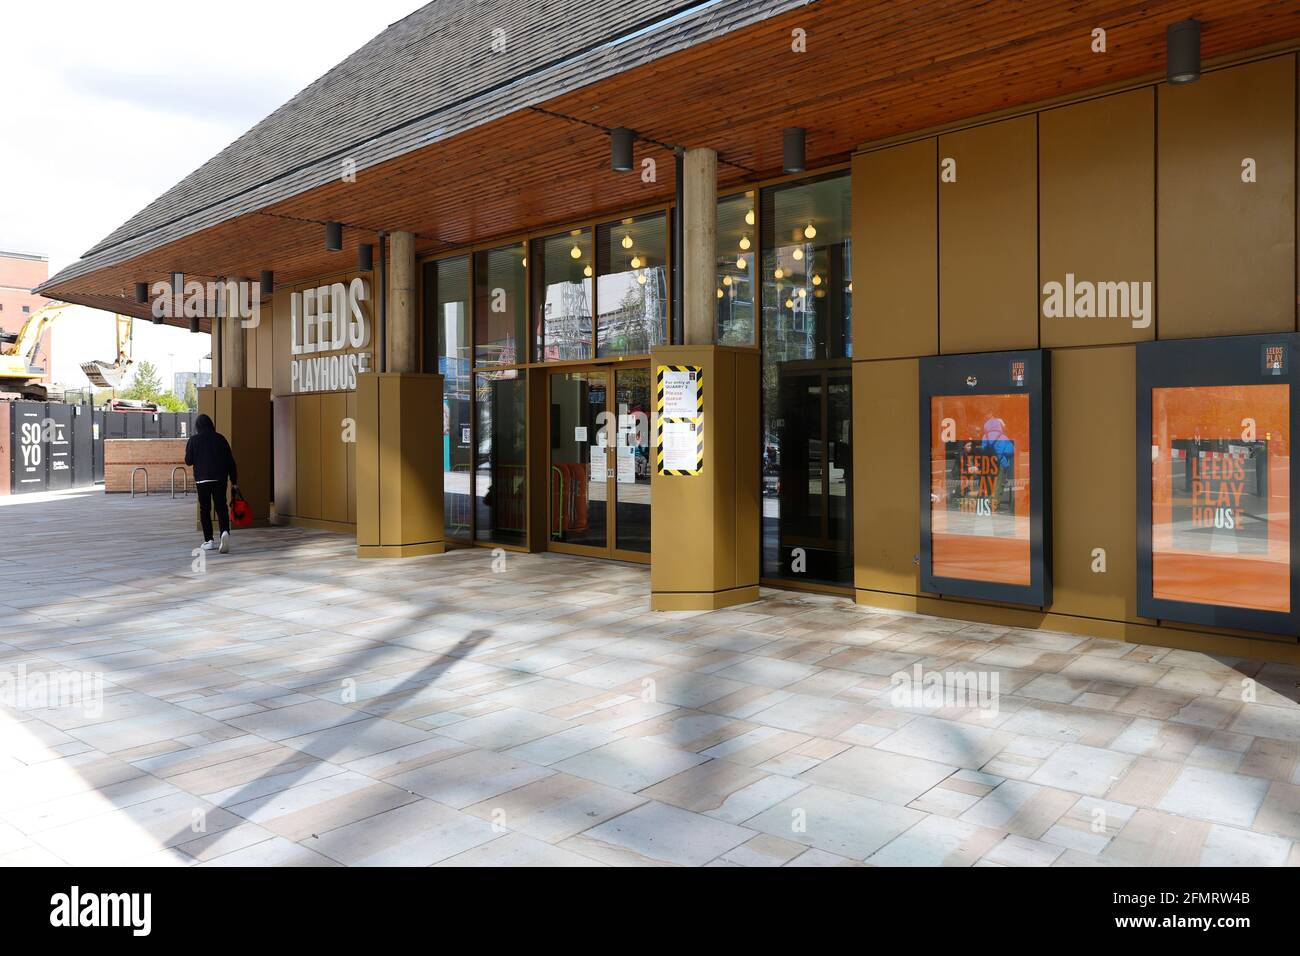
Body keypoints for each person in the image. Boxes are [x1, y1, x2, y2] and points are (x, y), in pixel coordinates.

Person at [184, 414, 239, 553]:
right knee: (221, 507)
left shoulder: (194, 440)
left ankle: (208, 540)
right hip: (220, 479)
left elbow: (188, 461)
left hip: (202, 480)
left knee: (205, 509)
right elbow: (230, 462)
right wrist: (234, 481)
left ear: (198, 426)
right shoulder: (220, 439)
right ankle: (224, 532)